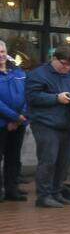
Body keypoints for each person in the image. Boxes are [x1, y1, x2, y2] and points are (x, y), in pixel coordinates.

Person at [27, 45, 70, 208]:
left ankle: (56, 192)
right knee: (48, 160)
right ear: (54, 59)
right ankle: (43, 195)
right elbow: (32, 97)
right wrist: (55, 98)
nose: (66, 68)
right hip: (46, 124)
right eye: (63, 63)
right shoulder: (38, 74)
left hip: (69, 125)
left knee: (64, 162)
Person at [0, 40, 29, 202]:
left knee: (14, 158)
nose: (1, 55)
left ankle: (12, 189)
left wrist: (21, 116)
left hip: (20, 122)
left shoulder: (18, 72)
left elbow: (27, 95)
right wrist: (14, 116)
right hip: (2, 123)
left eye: (3, 51)